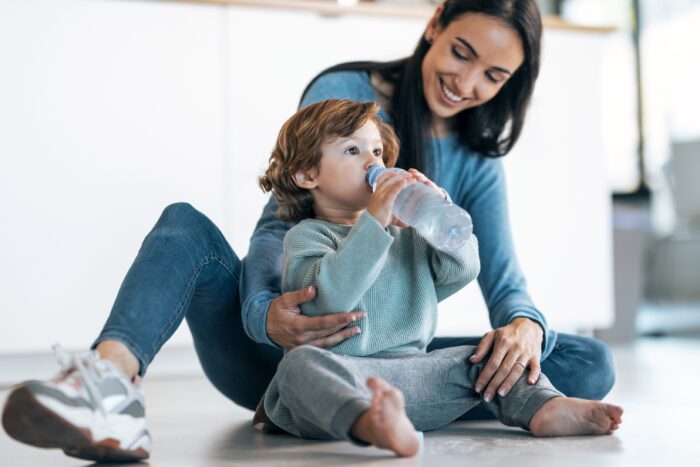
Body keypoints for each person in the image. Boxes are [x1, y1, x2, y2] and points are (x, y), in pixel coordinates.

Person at [1, 0, 616, 462]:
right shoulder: (346, 99)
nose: (467, 82)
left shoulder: (475, 163)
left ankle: (397, 401)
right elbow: (283, 222)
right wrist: (264, 312)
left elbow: (497, 278)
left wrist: (524, 327)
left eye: (494, 75)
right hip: (285, 345)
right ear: (434, 25)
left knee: (583, 361)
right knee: (182, 225)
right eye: (461, 52)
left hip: (386, 352)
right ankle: (110, 386)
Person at [256, 98, 622, 457]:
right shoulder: (306, 238)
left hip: (416, 378)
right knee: (298, 367)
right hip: (341, 382)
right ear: (306, 175)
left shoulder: (405, 236)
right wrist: (374, 223)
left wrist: (440, 213)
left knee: (485, 356)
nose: (373, 163)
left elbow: (460, 272)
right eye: (353, 151)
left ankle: (544, 408)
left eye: (378, 152)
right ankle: (371, 423)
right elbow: (327, 299)